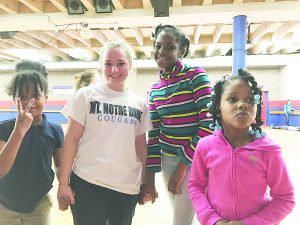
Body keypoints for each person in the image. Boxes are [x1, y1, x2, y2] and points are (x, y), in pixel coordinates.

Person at [57, 39, 152, 225]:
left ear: (130, 65)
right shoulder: (85, 96)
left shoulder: (140, 105)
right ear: (101, 66)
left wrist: (145, 182)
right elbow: (71, 140)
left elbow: (141, 148)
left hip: (126, 188)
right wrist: (63, 183)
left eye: (121, 64)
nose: (114, 70)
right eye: (108, 64)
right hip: (87, 183)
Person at [188, 69, 295, 225]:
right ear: (218, 105)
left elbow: (285, 198)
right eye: (232, 99)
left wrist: (249, 223)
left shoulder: (268, 150)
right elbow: (196, 186)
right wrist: (212, 220)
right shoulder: (205, 146)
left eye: (250, 100)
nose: (243, 105)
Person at [140, 24, 213, 225]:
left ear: (182, 51)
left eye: (170, 46)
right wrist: (150, 179)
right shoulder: (154, 89)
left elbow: (209, 123)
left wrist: (183, 165)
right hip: (166, 162)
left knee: (180, 220)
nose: (161, 52)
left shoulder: (195, 76)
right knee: (183, 216)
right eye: (158, 45)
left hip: (194, 161)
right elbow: (153, 135)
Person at [0, 69, 64, 225]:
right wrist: (19, 131)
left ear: (46, 98)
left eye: (36, 95)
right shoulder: (5, 128)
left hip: (39, 205)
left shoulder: (55, 130)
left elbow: (60, 165)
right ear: (15, 100)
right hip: (5, 205)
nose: (30, 101)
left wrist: (64, 186)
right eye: (23, 96)